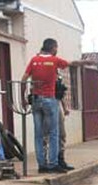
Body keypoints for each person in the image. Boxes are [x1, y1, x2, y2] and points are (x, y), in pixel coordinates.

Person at [21, 38, 70, 174]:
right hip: (50, 99)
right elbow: (71, 63)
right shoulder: (54, 61)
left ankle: (42, 165)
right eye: (56, 47)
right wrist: (85, 62)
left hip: (36, 100)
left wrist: (22, 98)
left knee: (39, 134)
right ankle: (53, 163)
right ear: (53, 48)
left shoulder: (34, 60)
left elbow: (23, 79)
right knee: (54, 133)